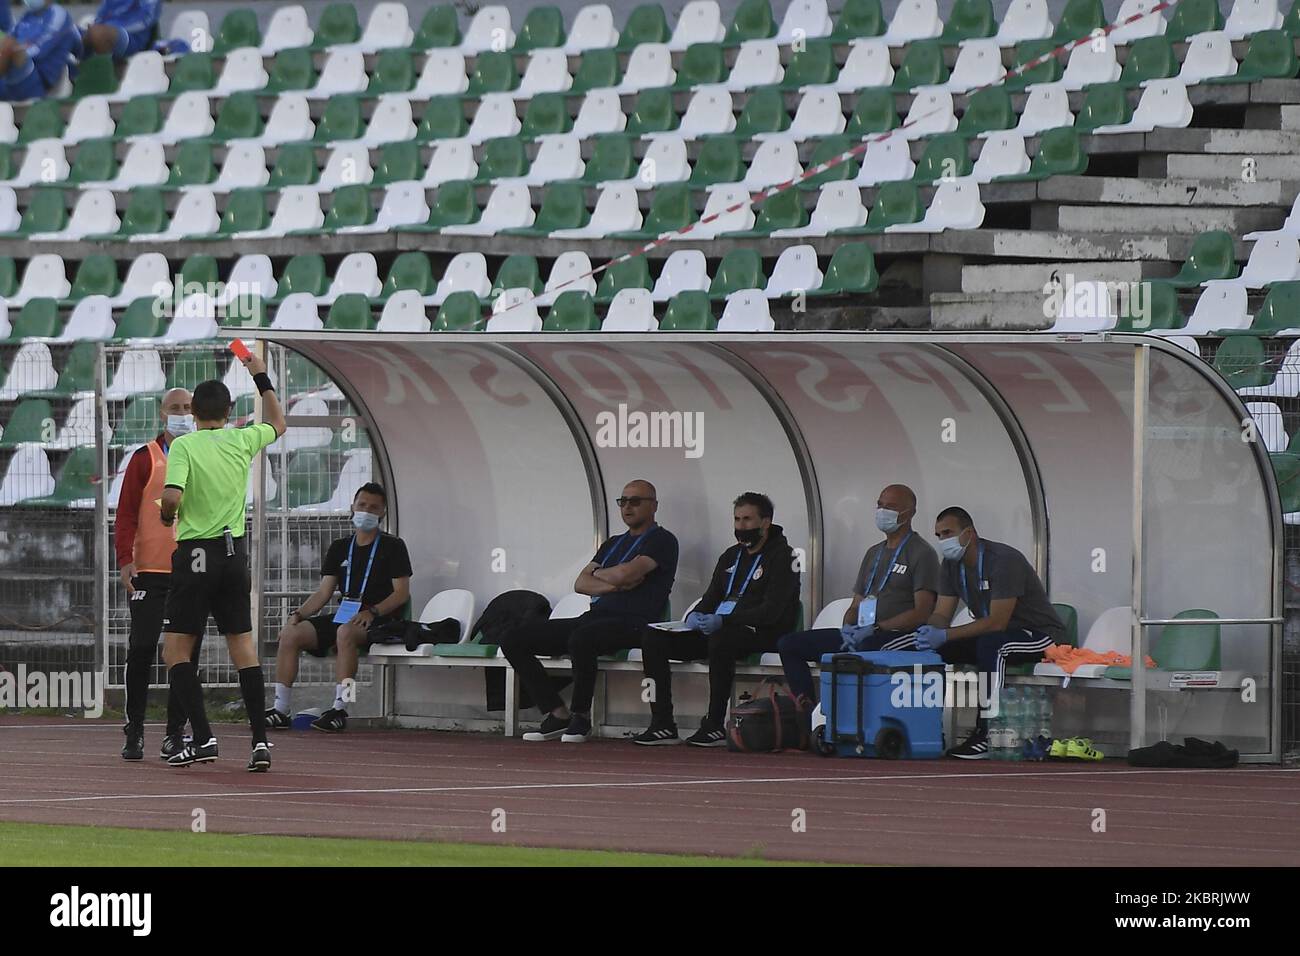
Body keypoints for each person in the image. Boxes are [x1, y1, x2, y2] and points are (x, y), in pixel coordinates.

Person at [158, 355, 285, 771]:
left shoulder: (184, 445)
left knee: (177, 647)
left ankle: (204, 736)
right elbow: (280, 424)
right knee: (243, 647)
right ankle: (260, 743)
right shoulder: (241, 439)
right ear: (229, 412)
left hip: (196, 552)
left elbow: (173, 497)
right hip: (235, 553)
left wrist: (165, 514)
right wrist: (259, 373)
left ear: (192, 412)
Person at [498, 480, 678, 744]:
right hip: (595, 617)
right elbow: (581, 584)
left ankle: (580, 716)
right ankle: (557, 713)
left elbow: (627, 572)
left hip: (635, 622)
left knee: (582, 638)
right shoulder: (613, 544)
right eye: (623, 501)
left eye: (635, 501)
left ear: (654, 506)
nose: (627, 507)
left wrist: (604, 577)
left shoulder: (662, 540)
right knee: (513, 638)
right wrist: (615, 582)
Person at [634, 491, 800, 746]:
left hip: (762, 632)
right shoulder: (731, 555)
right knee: (653, 638)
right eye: (736, 519)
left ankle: (714, 724)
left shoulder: (785, 556)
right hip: (725, 629)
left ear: (765, 522)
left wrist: (726, 620)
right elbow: (711, 597)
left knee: (721, 640)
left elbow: (772, 611)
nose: (741, 526)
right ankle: (662, 724)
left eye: (747, 519)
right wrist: (694, 615)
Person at [916, 507, 1065, 760]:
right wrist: (930, 630)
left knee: (992, 645)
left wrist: (946, 634)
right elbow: (942, 612)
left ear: (969, 533)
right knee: (935, 649)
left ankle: (988, 732)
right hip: (999, 635)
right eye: (939, 535)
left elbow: (997, 622)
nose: (943, 541)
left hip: (1041, 636)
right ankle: (926, 726)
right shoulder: (951, 565)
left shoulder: (1003, 560)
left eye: (948, 533)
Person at [264, 483, 412, 734]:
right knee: (292, 633)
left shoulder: (393, 546)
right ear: (352, 507)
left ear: (383, 512)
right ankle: (281, 708)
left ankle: (341, 707)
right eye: (362, 505)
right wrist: (298, 615)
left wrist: (372, 612)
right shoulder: (340, 547)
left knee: (345, 632)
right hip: (346, 614)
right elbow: (323, 592)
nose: (367, 511)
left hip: (380, 618)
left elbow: (401, 594)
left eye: (374, 507)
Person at [777, 484, 939, 705]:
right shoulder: (874, 553)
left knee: (865, 649)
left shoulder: (922, 553)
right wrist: (848, 628)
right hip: (864, 633)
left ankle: (853, 718)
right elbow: (856, 604)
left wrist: (875, 628)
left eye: (890, 507)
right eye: (880, 505)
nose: (882, 512)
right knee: (789, 644)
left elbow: (922, 612)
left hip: (895, 635)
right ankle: (808, 713)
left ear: (909, 513)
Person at [115, 388, 205, 761]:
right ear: (161, 415)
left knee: (184, 655)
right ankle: (134, 728)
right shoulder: (143, 458)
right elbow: (126, 514)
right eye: (175, 409)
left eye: (187, 408)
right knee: (141, 649)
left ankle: (175, 733)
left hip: (190, 573)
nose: (181, 414)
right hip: (149, 572)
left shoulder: (203, 455)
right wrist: (124, 559)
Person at [0, 0, 83, 102]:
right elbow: (9, 38)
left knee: (10, 46)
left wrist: (16, 50)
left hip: (38, 81)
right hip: (14, 75)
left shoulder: (58, 14)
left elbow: (40, 49)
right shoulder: (28, 16)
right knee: (8, 44)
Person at [83, 0, 161, 59]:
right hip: (108, 30)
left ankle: (103, 71)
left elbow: (145, 20)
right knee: (76, 33)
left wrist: (110, 28)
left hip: (132, 37)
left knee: (98, 34)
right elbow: (101, 15)